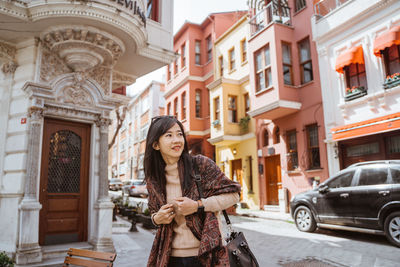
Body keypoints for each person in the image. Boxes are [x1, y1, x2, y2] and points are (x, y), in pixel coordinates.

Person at [144, 116, 241, 267]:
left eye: (179, 134)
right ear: (156, 144)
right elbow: (153, 212)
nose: (177, 140)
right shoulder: (154, 178)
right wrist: (157, 218)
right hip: (169, 256)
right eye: (169, 135)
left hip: (205, 255)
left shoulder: (200, 165)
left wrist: (198, 205)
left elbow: (234, 195)